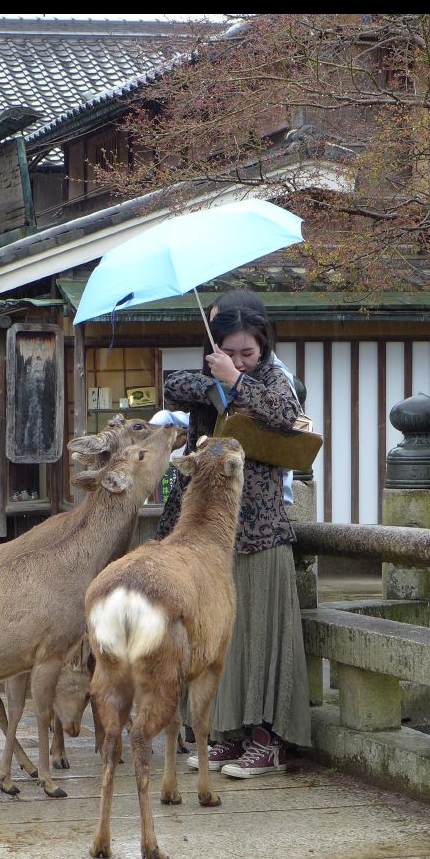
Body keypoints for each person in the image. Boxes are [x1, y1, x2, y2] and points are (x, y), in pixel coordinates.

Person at [157, 289, 310, 778]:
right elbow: (169, 388)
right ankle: (225, 732)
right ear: (216, 345)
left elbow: (286, 413)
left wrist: (237, 381)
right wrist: (213, 384)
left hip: (259, 526)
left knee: (260, 633)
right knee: (219, 634)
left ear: (263, 345)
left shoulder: (273, 379)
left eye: (250, 351)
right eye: (232, 350)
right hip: (206, 531)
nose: (241, 358)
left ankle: (267, 738)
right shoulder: (208, 373)